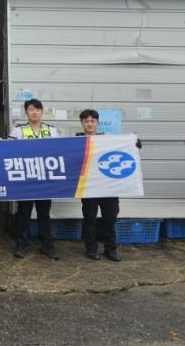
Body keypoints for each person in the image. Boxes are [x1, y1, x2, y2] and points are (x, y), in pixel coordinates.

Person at [8, 98, 60, 260]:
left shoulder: (51, 130)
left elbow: (61, 150)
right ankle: (21, 245)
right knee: (23, 213)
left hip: (45, 178)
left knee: (44, 213)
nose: (34, 112)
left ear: (42, 112)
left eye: (37, 109)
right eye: (31, 109)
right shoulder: (18, 130)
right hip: (25, 178)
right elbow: (7, 148)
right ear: (26, 112)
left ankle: (47, 246)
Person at [77, 109, 121, 262]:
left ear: (97, 123)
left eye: (92, 121)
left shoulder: (107, 139)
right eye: (86, 121)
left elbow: (122, 150)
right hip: (88, 187)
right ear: (82, 123)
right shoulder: (76, 140)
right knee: (90, 219)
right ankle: (91, 249)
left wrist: (135, 145)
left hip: (108, 186)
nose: (89, 124)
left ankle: (110, 249)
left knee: (110, 219)